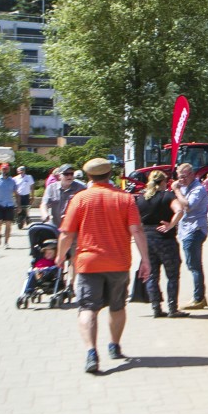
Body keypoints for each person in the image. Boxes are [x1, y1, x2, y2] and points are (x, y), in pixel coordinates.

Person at [56, 157, 150, 375]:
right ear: (110, 175)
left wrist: (60, 257)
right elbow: (137, 231)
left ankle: (91, 352)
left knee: (88, 308)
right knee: (117, 307)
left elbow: (67, 234)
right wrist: (145, 260)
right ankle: (114, 346)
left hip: (88, 263)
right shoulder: (125, 199)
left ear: (88, 176)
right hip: (118, 262)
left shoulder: (79, 199)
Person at [135, 170, 187, 318]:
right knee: (172, 275)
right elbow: (180, 210)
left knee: (152, 275)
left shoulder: (142, 198)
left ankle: (156, 307)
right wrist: (171, 224)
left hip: (147, 239)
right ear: (163, 182)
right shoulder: (168, 196)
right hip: (165, 239)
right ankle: (172, 308)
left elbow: (136, 219)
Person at [172, 162, 208, 310]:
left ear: (192, 175)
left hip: (195, 230)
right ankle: (200, 296)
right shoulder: (185, 187)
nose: (181, 180)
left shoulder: (198, 189)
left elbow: (187, 206)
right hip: (187, 229)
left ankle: (198, 298)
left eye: (183, 177)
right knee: (193, 265)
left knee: (194, 266)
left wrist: (176, 191)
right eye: (179, 177)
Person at [0, 163, 18, 248]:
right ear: (0, 170)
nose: (5, 170)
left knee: (8, 224)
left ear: (8, 170)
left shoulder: (12, 181)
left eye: (6, 169)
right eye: (3, 169)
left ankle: (6, 242)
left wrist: (18, 205)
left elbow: (16, 194)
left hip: (9, 204)